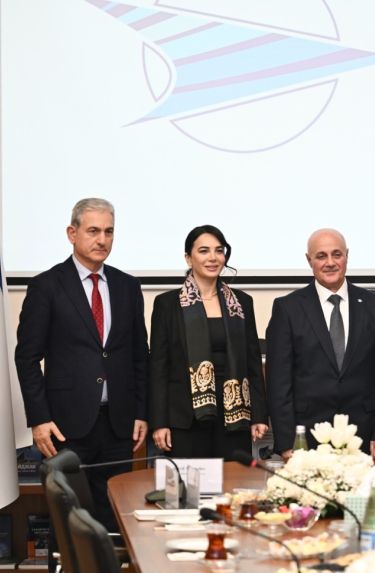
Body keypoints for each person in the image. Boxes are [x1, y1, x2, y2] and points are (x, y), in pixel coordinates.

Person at [15, 198, 148, 529]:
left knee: (114, 519)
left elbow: (139, 355)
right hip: (65, 426)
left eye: (109, 232)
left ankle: (112, 567)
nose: (102, 240)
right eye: (93, 231)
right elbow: (27, 358)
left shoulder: (128, 286)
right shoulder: (46, 286)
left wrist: (141, 412)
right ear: (72, 233)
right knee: (68, 520)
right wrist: (39, 419)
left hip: (118, 425)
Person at [265, 228, 375, 459]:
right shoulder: (287, 308)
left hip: (364, 435)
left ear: (347, 256)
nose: (330, 263)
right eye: (321, 256)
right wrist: (286, 442)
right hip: (307, 437)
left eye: (337, 254)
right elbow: (279, 382)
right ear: (309, 260)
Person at [149, 225, 268, 458]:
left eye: (219, 250)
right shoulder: (167, 304)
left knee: (234, 481)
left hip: (234, 416)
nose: (213, 258)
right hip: (185, 419)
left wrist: (260, 416)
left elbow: (253, 363)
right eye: (204, 251)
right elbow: (159, 367)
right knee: (189, 482)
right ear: (188, 258)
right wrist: (159, 422)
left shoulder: (242, 302)